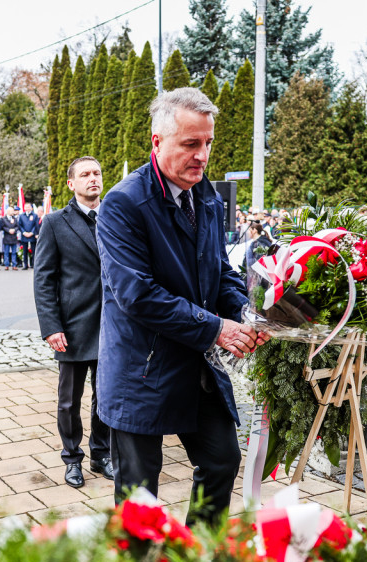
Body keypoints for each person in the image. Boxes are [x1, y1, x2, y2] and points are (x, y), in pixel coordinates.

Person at [96, 88, 265, 526]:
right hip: (142, 369)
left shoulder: (207, 196)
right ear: (157, 142)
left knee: (222, 459)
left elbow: (218, 272)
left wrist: (250, 315)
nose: (202, 155)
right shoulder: (123, 203)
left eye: (208, 143)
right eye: (191, 144)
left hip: (195, 366)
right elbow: (136, 294)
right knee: (139, 492)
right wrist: (217, 329)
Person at [34, 156, 113, 489]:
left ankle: (101, 454)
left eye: (96, 173)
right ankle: (72, 458)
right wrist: (52, 327)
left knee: (105, 396)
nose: (92, 179)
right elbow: (43, 279)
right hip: (72, 328)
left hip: (111, 327)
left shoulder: (114, 217)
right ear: (72, 184)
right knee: (69, 400)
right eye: (85, 175)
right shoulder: (54, 222)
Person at [18, 204, 39, 269]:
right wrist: (24, 232)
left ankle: (33, 264)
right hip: (24, 236)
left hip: (32, 236)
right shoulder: (21, 216)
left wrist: (32, 233)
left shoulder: (35, 215)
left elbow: (36, 225)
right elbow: (20, 225)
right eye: (26, 207)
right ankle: (25, 265)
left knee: (33, 251)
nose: (27, 208)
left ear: (31, 208)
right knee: (24, 251)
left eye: (29, 207)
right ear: (24, 208)